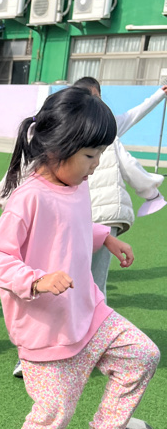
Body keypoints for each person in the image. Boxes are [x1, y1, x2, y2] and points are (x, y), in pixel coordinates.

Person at [0, 86, 161, 429]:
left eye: (101, 155)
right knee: (54, 412)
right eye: (91, 155)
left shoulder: (76, 186)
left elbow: (72, 227)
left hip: (89, 311)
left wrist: (105, 238)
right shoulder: (28, 197)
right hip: (46, 330)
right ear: (58, 147)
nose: (96, 166)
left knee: (142, 354)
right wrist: (37, 280)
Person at [72, 77, 165, 299]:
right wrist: (151, 191)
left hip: (103, 214)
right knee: (84, 278)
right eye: (91, 98)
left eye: (98, 98)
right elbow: (130, 165)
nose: (95, 104)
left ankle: (93, 317)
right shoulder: (76, 129)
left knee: (93, 278)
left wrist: (159, 94)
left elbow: (134, 114)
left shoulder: (108, 126)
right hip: (83, 213)